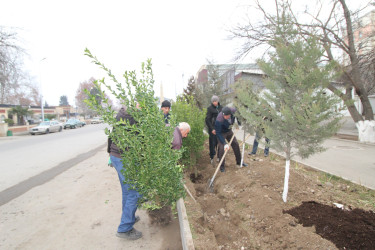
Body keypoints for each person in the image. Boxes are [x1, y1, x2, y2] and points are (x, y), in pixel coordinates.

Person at [109, 106, 142, 240]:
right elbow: (142, 140)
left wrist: (110, 153)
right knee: (135, 192)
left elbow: (112, 135)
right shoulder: (136, 117)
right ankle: (125, 228)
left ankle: (129, 217)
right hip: (124, 158)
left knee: (127, 191)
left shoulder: (122, 113)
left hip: (116, 156)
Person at [215, 107, 248, 172]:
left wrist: (239, 123)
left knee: (235, 144)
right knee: (222, 149)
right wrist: (225, 143)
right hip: (221, 133)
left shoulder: (234, 111)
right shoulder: (219, 119)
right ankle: (222, 167)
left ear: (230, 114)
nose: (225, 117)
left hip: (229, 131)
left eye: (226, 116)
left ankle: (239, 161)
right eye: (224, 115)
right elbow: (218, 133)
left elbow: (238, 115)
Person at [205, 95, 222, 165]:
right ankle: (212, 157)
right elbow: (207, 120)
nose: (215, 102)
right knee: (212, 143)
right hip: (213, 130)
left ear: (218, 101)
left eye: (216, 101)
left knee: (220, 143)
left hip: (220, 129)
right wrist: (212, 129)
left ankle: (219, 156)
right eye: (213, 101)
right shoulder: (210, 109)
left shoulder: (221, 108)